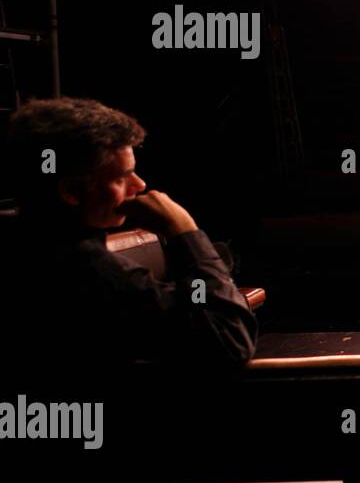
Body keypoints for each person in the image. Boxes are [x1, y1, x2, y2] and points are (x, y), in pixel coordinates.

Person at [1, 97, 257, 367]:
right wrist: (186, 232)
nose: (140, 184)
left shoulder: (22, 242)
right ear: (72, 191)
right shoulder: (88, 270)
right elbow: (231, 340)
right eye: (122, 176)